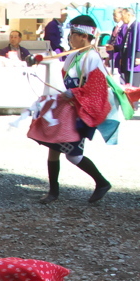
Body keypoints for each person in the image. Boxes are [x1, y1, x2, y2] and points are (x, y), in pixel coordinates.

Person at [37, 15, 113, 204]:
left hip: (81, 111)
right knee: (53, 147)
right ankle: (53, 192)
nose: (69, 38)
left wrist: (74, 93)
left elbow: (97, 89)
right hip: (70, 108)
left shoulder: (92, 57)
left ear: (84, 36)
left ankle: (102, 182)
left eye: (73, 35)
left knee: (73, 155)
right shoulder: (73, 56)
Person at [117, 10, 140, 86]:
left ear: (129, 15)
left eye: (123, 15)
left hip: (134, 62)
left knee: (133, 87)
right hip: (127, 61)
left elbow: (138, 42)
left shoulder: (137, 26)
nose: (122, 18)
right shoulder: (128, 27)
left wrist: (138, 57)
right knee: (127, 85)